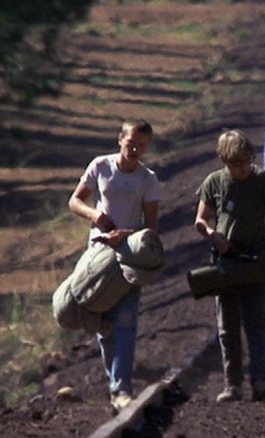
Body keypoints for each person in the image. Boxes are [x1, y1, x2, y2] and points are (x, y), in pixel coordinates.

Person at [194, 129, 265, 403]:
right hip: (226, 262)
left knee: (256, 323)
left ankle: (260, 380)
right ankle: (233, 384)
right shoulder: (214, 182)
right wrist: (213, 235)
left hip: (256, 262)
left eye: (247, 161)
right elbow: (201, 220)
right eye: (236, 163)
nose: (242, 168)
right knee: (227, 327)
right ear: (223, 160)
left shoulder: (261, 179)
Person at [67, 119, 162, 412]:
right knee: (102, 322)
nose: (135, 150)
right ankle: (115, 384)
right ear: (120, 138)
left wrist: (126, 234)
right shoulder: (100, 166)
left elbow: (151, 226)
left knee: (126, 320)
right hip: (98, 253)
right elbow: (75, 201)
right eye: (131, 143)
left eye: (141, 146)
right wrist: (95, 216)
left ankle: (121, 389)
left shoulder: (148, 179)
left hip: (130, 257)